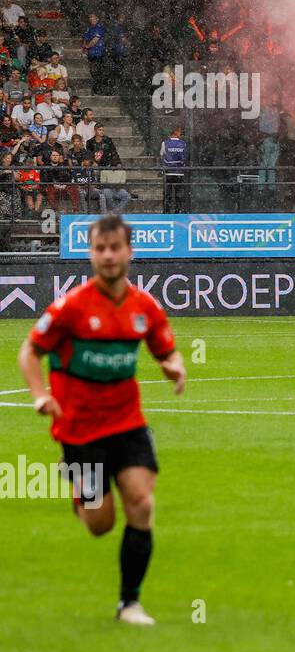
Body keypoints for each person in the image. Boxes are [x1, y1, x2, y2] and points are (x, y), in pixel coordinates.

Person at [16, 214, 187, 626]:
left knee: (142, 504)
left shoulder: (144, 307)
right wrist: (40, 395)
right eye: (100, 249)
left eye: (115, 248)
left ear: (129, 251)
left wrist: (175, 366)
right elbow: (29, 352)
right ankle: (77, 483)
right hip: (80, 429)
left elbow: (167, 351)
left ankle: (129, 604)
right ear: (91, 253)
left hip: (126, 421)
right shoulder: (71, 306)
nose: (108, 256)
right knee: (99, 524)